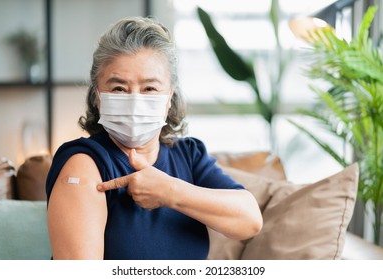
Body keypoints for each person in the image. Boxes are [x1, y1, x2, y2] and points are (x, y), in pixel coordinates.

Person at [46, 16, 262, 260]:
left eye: (149, 88)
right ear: (98, 96)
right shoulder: (85, 163)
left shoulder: (188, 155)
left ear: (169, 97)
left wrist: (169, 191)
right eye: (119, 88)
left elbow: (250, 220)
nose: (135, 100)